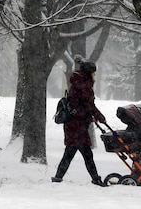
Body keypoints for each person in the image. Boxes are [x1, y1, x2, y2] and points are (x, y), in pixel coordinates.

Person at [51, 56, 107, 186]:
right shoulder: (84, 85)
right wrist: (99, 117)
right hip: (78, 125)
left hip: (73, 124)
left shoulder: (78, 82)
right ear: (89, 73)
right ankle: (95, 179)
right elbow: (89, 105)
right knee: (85, 154)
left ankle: (58, 178)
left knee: (71, 152)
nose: (95, 75)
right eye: (93, 73)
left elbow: (83, 104)